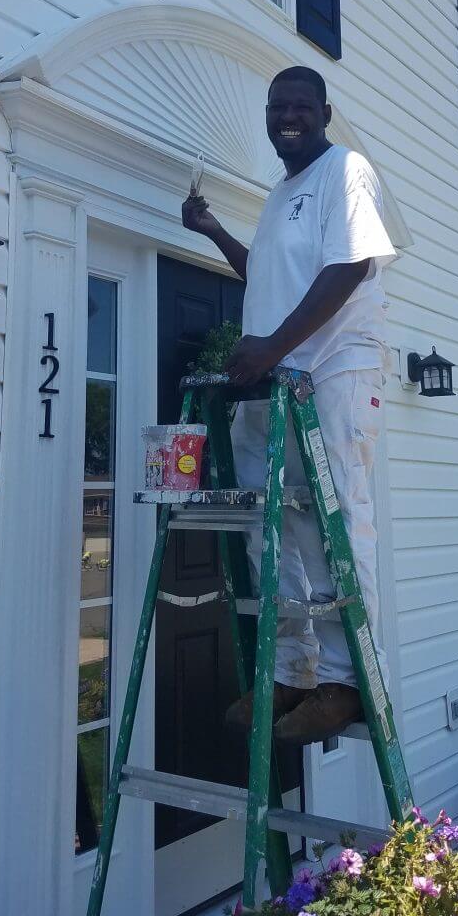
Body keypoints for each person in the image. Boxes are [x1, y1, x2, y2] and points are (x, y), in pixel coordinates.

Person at [181, 65, 397, 745]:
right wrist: (214, 231)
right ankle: (291, 671)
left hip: (332, 363)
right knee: (267, 520)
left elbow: (350, 267)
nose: (288, 117)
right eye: (278, 107)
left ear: (324, 113)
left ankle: (346, 680)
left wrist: (270, 347)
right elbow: (270, 274)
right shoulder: (281, 196)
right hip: (277, 371)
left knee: (332, 513)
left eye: (301, 106)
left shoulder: (344, 171)